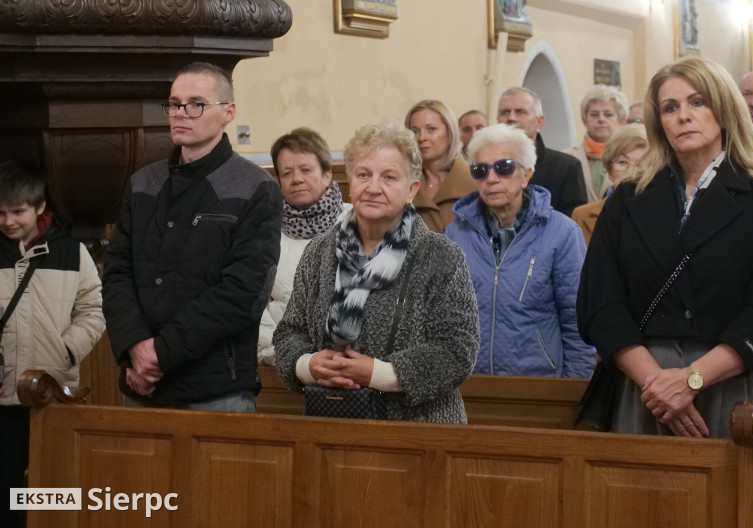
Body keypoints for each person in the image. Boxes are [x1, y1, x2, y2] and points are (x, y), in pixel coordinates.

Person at [577, 56, 753, 528]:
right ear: (657, 122)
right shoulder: (629, 199)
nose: (682, 115)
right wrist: (656, 382)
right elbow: (601, 302)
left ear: (722, 111)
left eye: (696, 102)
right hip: (643, 388)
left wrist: (693, 379)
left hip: (731, 386)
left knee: (731, 512)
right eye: (669, 107)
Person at [102, 62, 283, 411]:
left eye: (196, 104)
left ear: (228, 112)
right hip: (141, 383)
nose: (180, 113)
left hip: (215, 387)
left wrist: (160, 354)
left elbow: (242, 293)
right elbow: (116, 273)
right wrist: (136, 345)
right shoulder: (143, 183)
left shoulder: (255, 188)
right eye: (174, 103)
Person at [273, 122, 480, 423]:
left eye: (389, 177)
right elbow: (290, 332)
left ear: (411, 189)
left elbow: (457, 349)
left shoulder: (440, 256)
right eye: (364, 175)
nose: (373, 188)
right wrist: (308, 364)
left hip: (420, 429)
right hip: (333, 421)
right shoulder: (320, 252)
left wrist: (379, 374)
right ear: (350, 182)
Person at [1, 159, 105, 528]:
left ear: (40, 206)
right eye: (0, 213)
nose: (8, 221)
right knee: (7, 490)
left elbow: (94, 309)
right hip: (3, 394)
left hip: (53, 388)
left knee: (55, 485)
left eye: (18, 211)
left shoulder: (71, 251)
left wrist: (66, 351)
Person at [445, 124, 593, 377]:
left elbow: (576, 321)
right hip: (467, 384)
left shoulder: (562, 233)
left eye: (503, 168)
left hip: (539, 384)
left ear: (525, 175)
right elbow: (443, 317)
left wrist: (573, 391)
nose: (491, 179)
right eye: (481, 171)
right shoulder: (455, 234)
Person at [258, 127, 347, 366]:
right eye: (286, 173)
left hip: (350, 363)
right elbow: (255, 303)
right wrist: (281, 354)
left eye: (306, 170)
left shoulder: (357, 221)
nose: (296, 179)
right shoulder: (266, 231)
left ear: (327, 174)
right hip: (283, 364)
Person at [497, 86, 587, 216]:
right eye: (505, 112)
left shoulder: (566, 167)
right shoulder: (487, 165)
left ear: (539, 122)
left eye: (520, 112)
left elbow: (574, 223)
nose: (511, 118)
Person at [405, 100, 477, 233]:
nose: (421, 138)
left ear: (450, 133)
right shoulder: (403, 184)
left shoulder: (475, 182)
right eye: (415, 131)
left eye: (431, 129)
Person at [572, 124, 648, 244]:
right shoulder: (581, 215)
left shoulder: (665, 214)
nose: (631, 173)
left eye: (641, 165)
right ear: (609, 169)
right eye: (622, 162)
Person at [565, 84, 629, 202]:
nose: (601, 119)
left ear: (621, 121)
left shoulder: (634, 158)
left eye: (608, 114)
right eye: (594, 114)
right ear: (584, 120)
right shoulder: (566, 157)